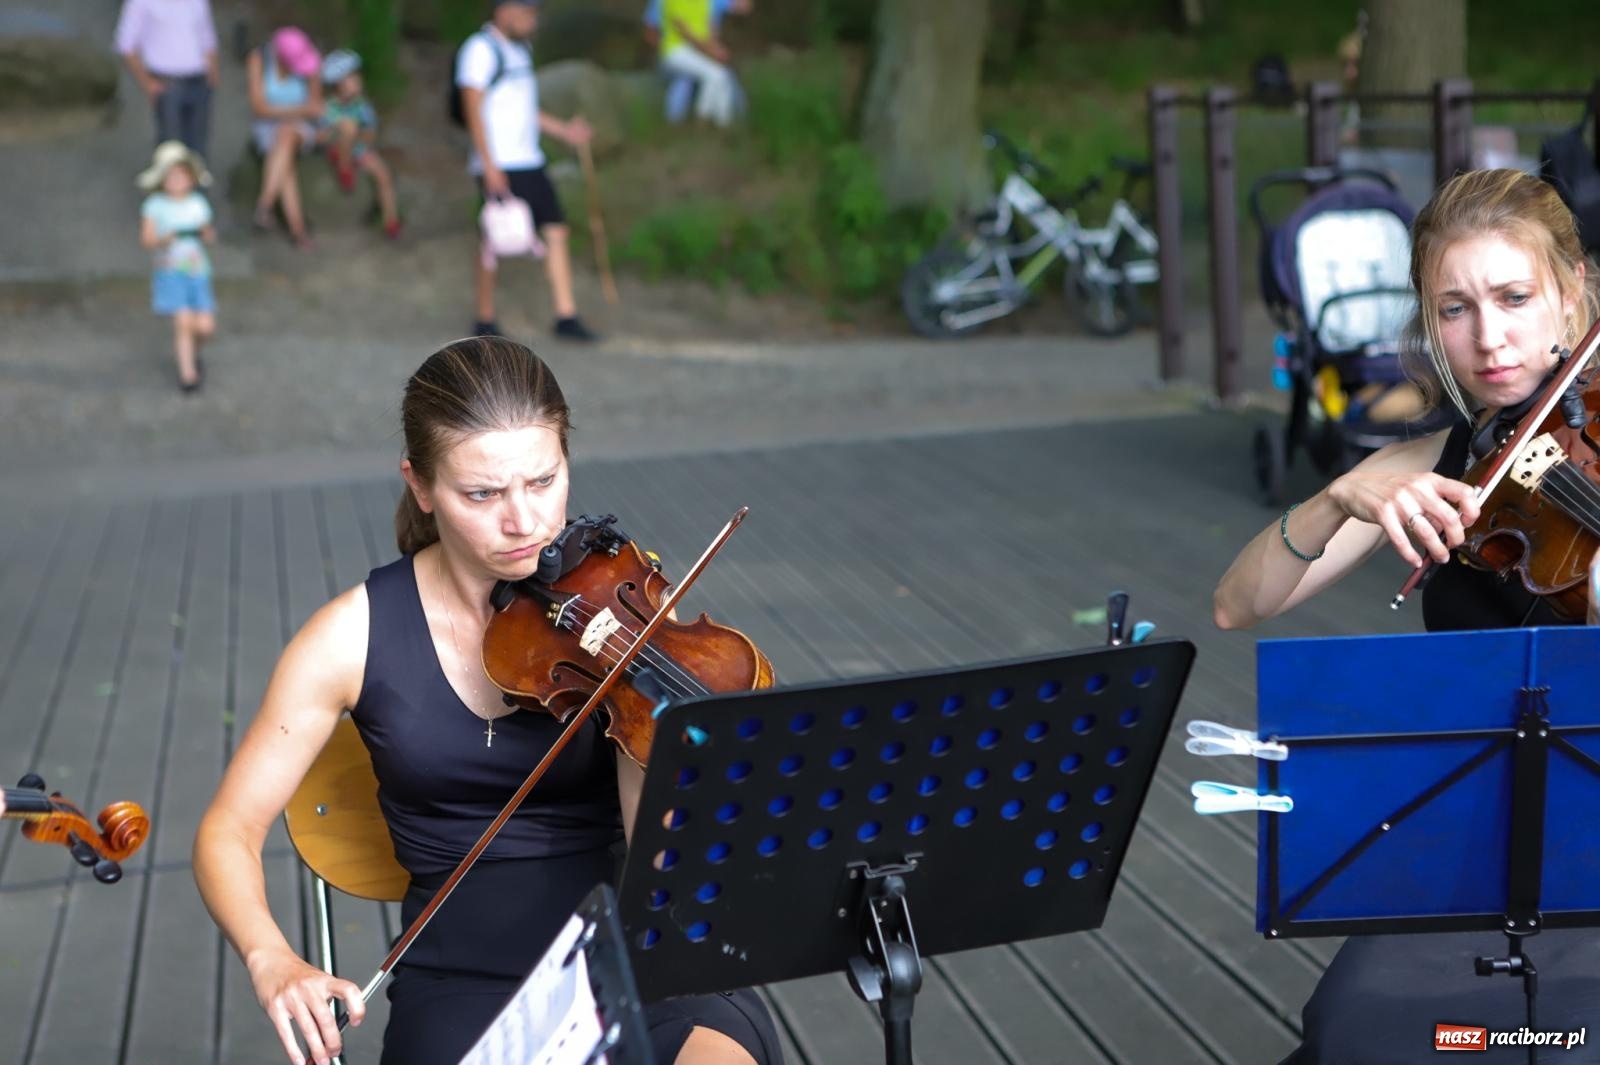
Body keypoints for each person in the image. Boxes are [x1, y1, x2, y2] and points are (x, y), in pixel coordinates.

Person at [193, 337, 783, 1065]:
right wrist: (272, 960)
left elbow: (659, 852)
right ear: (420, 486)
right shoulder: (348, 638)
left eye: (544, 480)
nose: (524, 522)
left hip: (638, 961)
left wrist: (658, 718)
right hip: (461, 986)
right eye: (482, 494)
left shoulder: (619, 608)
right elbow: (227, 828)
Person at [1214, 168, 1600, 1061]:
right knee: (1354, 1029)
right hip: (1475, 837)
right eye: (1456, 308)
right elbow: (1238, 603)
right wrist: (1337, 499)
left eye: (1514, 297)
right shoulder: (1437, 464)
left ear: (1571, 292)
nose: (1490, 337)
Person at [455, 0, 599, 342]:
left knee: (556, 228)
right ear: (503, 10)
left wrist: (564, 131)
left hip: (530, 159)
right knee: (495, 236)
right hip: (500, 161)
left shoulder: (521, 51)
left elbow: (524, 108)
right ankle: (484, 318)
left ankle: (566, 315)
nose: (532, 20)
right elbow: (472, 108)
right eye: (526, 12)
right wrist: (488, 164)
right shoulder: (479, 50)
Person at [137, 140, 217, 394]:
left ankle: (191, 353)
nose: (176, 180)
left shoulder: (198, 204)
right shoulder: (155, 206)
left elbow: (209, 235)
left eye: (181, 174)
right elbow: (146, 240)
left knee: (204, 327)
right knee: (183, 321)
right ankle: (187, 375)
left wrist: (204, 234)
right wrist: (164, 239)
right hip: (170, 273)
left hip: (197, 272)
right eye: (170, 175)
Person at [247, 26, 323, 250]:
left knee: (286, 133)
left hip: (299, 127)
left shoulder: (312, 61)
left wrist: (282, 112)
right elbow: (258, 109)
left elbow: (315, 107)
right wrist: (298, 110)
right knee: (286, 163)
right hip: (268, 128)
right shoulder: (259, 59)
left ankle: (265, 204)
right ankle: (298, 232)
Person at [113, 0, 219, 160]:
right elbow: (126, 44)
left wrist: (213, 73)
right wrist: (147, 83)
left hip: (199, 80)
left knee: (198, 148)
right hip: (168, 83)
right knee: (171, 150)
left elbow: (207, 36)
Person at [317, 49, 401, 239]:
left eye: (357, 77)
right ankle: (344, 168)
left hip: (358, 150)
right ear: (338, 85)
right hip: (336, 147)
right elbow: (320, 135)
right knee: (348, 126)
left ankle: (391, 220)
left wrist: (359, 138)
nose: (358, 81)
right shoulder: (327, 107)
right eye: (351, 78)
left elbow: (370, 134)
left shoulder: (362, 106)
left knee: (384, 174)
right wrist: (336, 132)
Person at [643, 0, 751, 128]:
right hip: (676, 51)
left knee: (721, 76)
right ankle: (697, 121)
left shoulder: (705, 2)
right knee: (707, 76)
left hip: (697, 51)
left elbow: (710, 29)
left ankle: (723, 122)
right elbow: (685, 33)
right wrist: (711, 52)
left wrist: (716, 49)